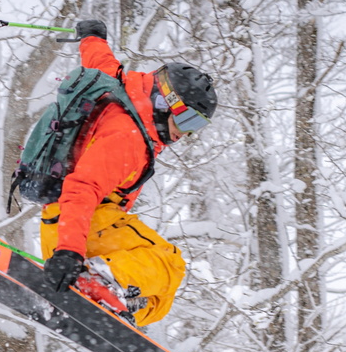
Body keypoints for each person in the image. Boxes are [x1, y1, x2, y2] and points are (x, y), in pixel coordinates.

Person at [39, 18, 217, 327]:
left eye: (197, 127)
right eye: (187, 121)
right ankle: (98, 282)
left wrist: (91, 37)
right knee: (170, 263)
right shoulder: (129, 137)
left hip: (68, 227)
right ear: (167, 102)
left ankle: (116, 307)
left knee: (162, 296)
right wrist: (69, 252)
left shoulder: (120, 88)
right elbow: (82, 188)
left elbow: (100, 61)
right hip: (81, 227)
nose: (185, 134)